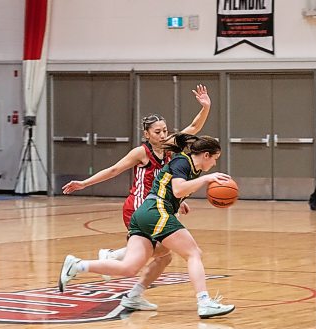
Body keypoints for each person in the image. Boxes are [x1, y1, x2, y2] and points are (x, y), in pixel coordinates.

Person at [62, 85, 211, 311]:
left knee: (162, 256)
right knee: (169, 253)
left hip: (157, 206)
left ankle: (128, 287)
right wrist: (84, 183)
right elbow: (113, 170)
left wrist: (205, 107)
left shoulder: (170, 147)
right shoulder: (140, 152)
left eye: (164, 130)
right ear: (146, 134)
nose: (162, 135)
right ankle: (114, 261)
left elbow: (193, 128)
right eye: (157, 132)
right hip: (140, 207)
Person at [59, 133, 235, 319]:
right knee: (193, 253)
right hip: (155, 211)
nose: (214, 164)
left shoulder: (191, 167)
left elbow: (172, 189)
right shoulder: (183, 162)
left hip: (146, 213)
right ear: (206, 155)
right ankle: (204, 302)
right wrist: (206, 180)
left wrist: (178, 202)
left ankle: (79, 267)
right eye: (215, 159)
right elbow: (178, 189)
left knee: (133, 266)